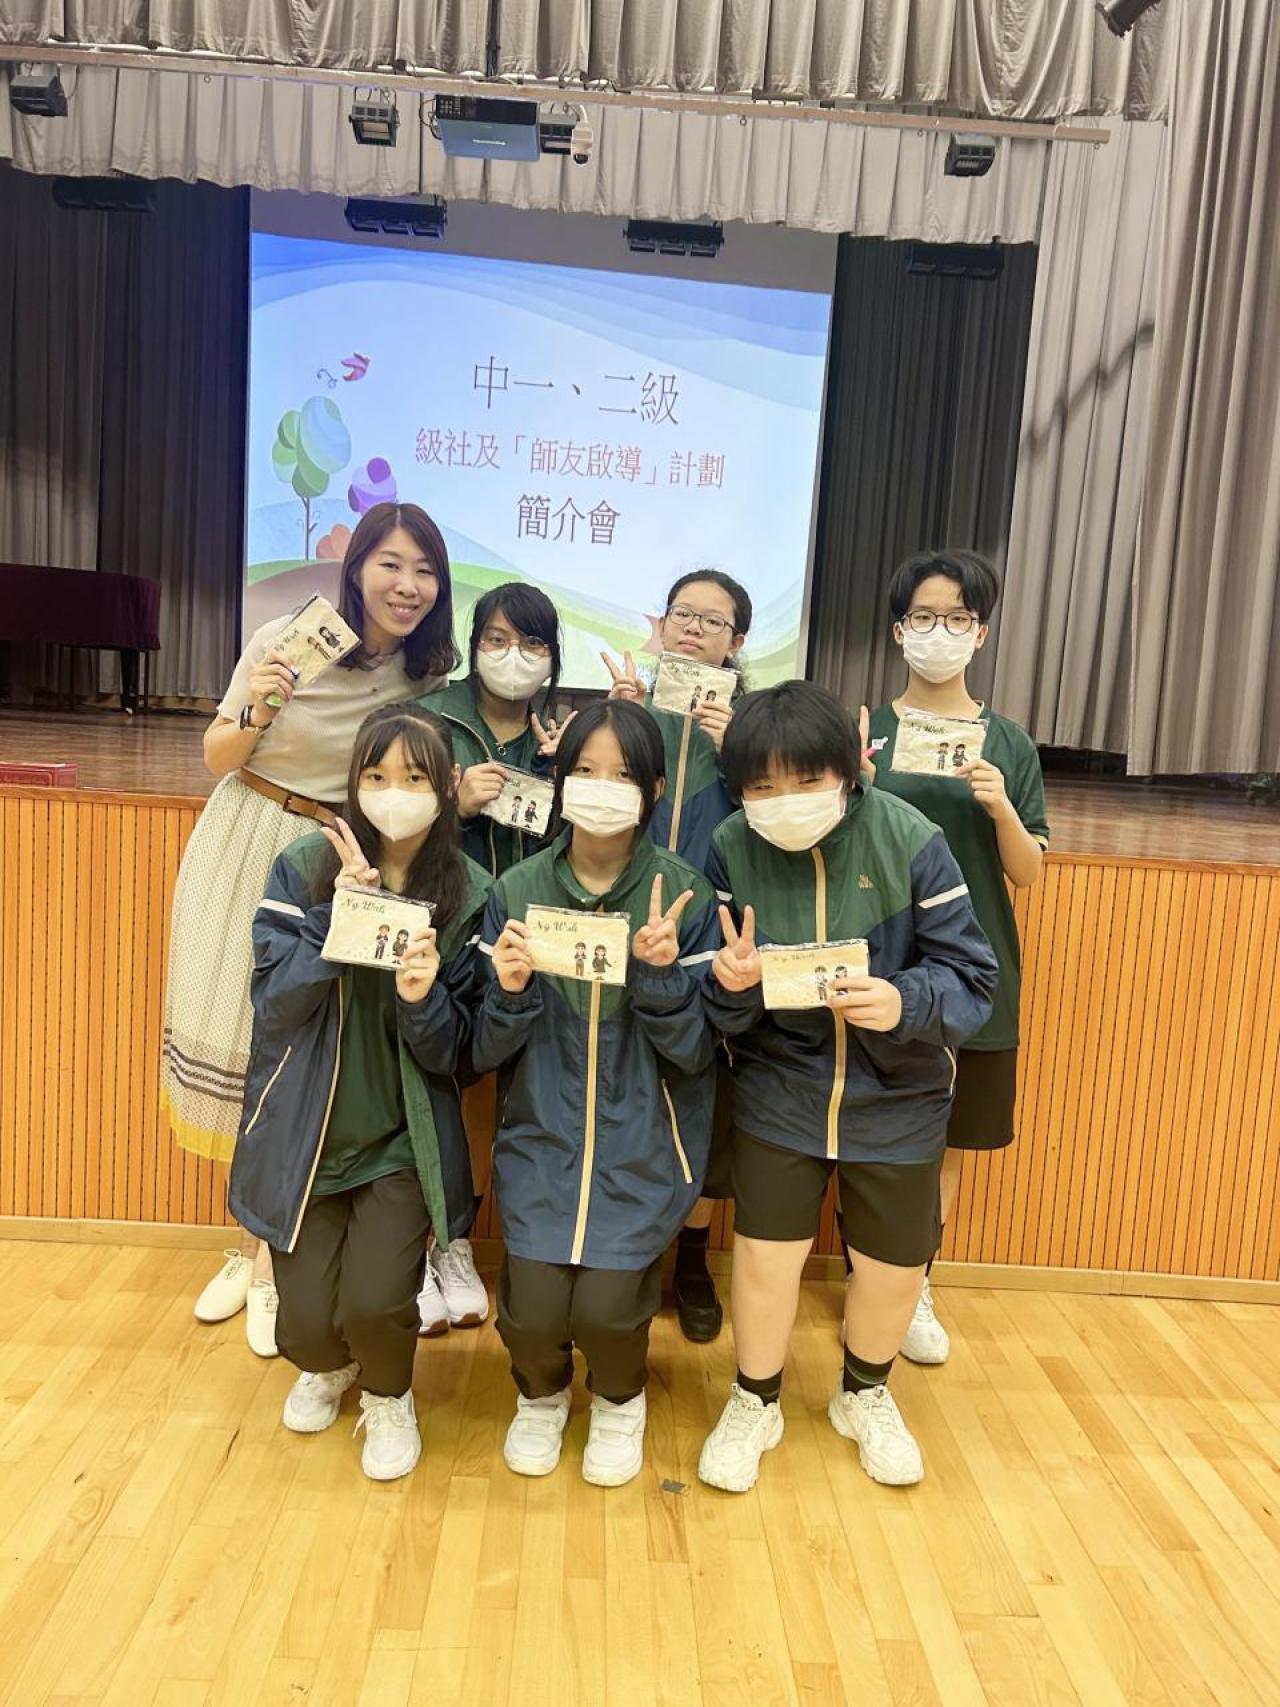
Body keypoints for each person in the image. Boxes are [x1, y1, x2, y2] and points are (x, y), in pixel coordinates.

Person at [162, 502, 458, 1355]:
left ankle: (272, 1259)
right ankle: (250, 1243)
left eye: (425, 570)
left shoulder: (425, 672)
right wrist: (258, 708)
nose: (407, 585)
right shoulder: (288, 639)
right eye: (390, 563)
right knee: (239, 1030)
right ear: (355, 566)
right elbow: (216, 755)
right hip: (249, 830)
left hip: (336, 855)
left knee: (299, 1046)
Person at [697, 682, 997, 1493]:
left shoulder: (911, 837)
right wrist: (731, 984)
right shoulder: (730, 846)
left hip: (900, 1092)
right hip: (781, 1084)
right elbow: (715, 996)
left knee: (892, 1267)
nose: (784, 800)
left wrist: (904, 1001)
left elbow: (973, 977)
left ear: (847, 770)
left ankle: (864, 1393)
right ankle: (754, 1399)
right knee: (765, 1257)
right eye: (763, 785)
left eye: (805, 779)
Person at [228, 704, 489, 1482]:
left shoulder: (469, 890)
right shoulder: (305, 864)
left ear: (445, 787)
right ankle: (330, 1365)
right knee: (303, 1326)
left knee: (377, 1302)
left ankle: (389, 1392)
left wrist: (422, 997)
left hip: (400, 1140)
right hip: (308, 1133)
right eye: (376, 775)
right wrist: (336, 919)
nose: (393, 793)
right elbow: (274, 1002)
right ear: (353, 781)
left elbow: (460, 1054)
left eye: (414, 777)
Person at [474, 700, 720, 1488]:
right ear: (560, 778)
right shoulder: (517, 890)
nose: (601, 787)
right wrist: (509, 990)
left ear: (654, 791)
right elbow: (482, 1047)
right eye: (584, 770)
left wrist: (661, 977)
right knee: (533, 1310)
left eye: (621, 775)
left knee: (612, 1310)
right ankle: (540, 1395)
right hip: (540, 1140)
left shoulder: (683, 895)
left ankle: (619, 1398)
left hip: (643, 1143)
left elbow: (697, 1051)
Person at [867, 550, 1048, 1363]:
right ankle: (870, 1279)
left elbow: (1028, 871)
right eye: (924, 617)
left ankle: (916, 1286)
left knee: (946, 1144)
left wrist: (1002, 805)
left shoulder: (1008, 742)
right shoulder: (867, 730)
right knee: (871, 1130)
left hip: (974, 975)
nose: (939, 632)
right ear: (899, 629)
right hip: (880, 970)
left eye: (958, 618)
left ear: (980, 632)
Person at [414, 582, 577, 1335]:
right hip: (445, 924)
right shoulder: (431, 718)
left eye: (533, 642)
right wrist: (455, 804)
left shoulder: (563, 731)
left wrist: (567, 776)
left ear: (552, 655)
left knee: (491, 1091)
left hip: (525, 933)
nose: (515, 656)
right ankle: (424, 1246)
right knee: (436, 1084)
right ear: (474, 642)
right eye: (498, 639)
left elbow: (588, 837)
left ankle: (461, 1244)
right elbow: (387, 813)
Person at [601, 569, 751, 1343]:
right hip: (626, 922)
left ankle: (692, 1257)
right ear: (661, 626)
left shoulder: (752, 725)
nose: (693, 629)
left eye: (712, 621)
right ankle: (618, 1247)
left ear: (737, 641)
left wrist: (740, 750)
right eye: (682, 615)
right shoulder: (635, 709)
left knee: (701, 1092)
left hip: (713, 928)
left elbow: (778, 815)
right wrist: (618, 725)